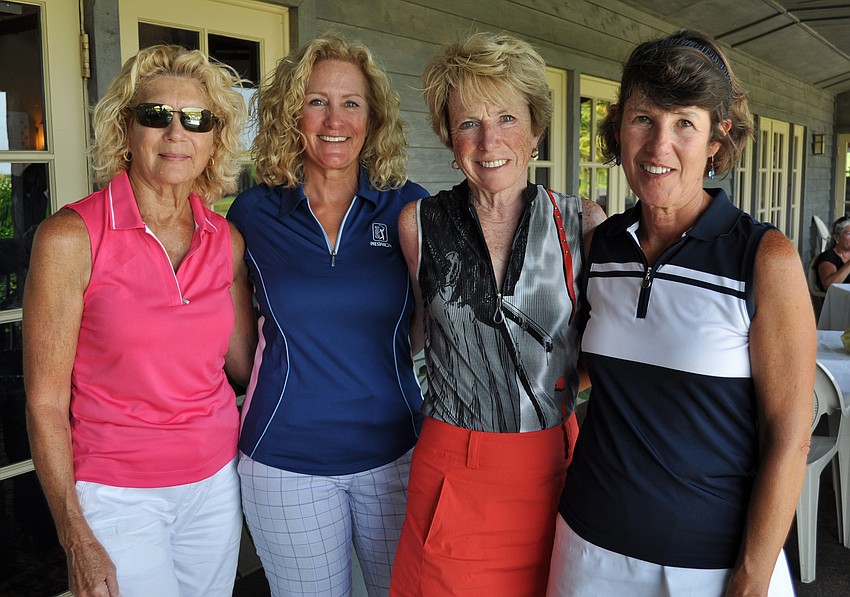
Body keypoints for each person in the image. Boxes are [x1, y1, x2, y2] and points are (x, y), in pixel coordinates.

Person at [548, 29, 815, 596]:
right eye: (644, 119)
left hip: (710, 565)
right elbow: (592, 372)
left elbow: (790, 436)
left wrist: (752, 577)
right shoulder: (603, 247)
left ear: (717, 138)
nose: (658, 146)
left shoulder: (764, 259)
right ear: (618, 126)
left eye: (684, 124)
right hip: (587, 549)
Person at [23, 45, 255, 597]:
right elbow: (45, 402)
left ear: (215, 139)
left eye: (197, 120)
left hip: (214, 482)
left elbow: (244, 365)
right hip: (117, 492)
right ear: (125, 130)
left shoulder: (225, 240)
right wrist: (74, 533)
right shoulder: (70, 239)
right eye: (155, 115)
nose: (177, 133)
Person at [389, 32, 605, 596]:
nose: (490, 141)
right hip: (455, 471)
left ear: (536, 129)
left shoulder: (581, 225)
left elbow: (599, 351)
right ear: (446, 133)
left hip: (554, 467)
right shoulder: (418, 225)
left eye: (508, 117)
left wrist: (548, 389)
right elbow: (417, 336)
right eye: (468, 123)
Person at [227, 34, 429, 596]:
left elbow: (422, 324)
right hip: (286, 460)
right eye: (316, 101)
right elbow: (240, 351)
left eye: (351, 102)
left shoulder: (408, 206)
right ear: (292, 114)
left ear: (373, 116)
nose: (334, 119)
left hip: (395, 452)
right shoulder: (254, 212)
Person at [814, 216, 850, 290]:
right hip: (840, 299)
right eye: (849, 234)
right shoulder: (828, 257)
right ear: (837, 238)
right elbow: (829, 286)